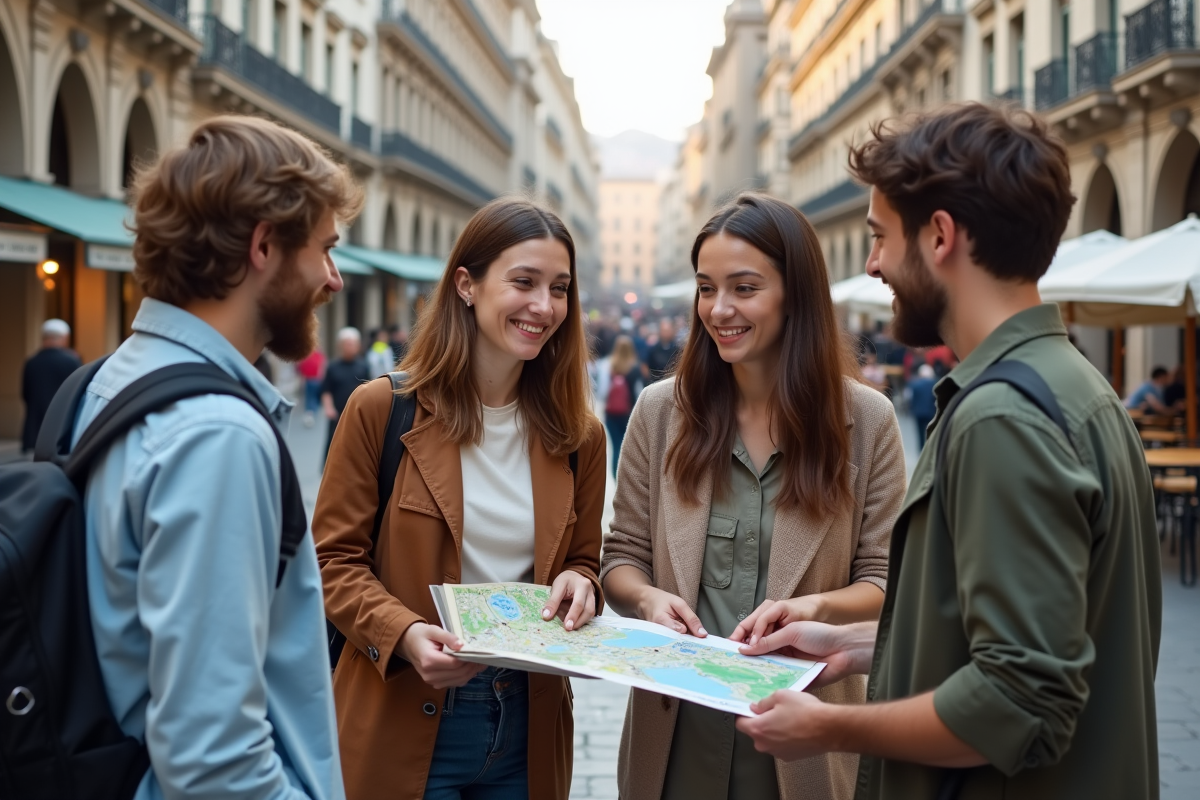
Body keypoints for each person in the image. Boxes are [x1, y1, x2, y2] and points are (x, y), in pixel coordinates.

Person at [736, 103, 1160, 800]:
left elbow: (1018, 702)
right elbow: (1019, 642)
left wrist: (830, 726)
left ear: (939, 236)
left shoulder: (1003, 418)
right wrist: (853, 644)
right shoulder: (1075, 385)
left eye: (880, 236)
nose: (872, 263)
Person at [70, 115, 362, 799]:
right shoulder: (217, 434)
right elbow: (214, 760)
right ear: (264, 245)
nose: (333, 279)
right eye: (324, 249)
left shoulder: (101, 381)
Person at [601, 193, 907, 800]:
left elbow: (885, 580)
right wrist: (648, 599)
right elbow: (622, 557)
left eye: (744, 288)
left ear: (795, 295)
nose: (719, 309)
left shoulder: (867, 421)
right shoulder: (659, 412)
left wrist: (814, 609)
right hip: (675, 747)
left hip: (804, 745)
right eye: (706, 288)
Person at [314, 198, 608, 800]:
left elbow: (583, 562)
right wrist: (403, 634)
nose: (544, 306)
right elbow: (329, 563)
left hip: (528, 723)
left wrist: (582, 583)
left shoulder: (581, 437)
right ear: (466, 285)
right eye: (523, 282)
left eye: (559, 288)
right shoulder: (382, 409)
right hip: (400, 707)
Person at [20, 318, 82, 452]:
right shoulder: (72, 361)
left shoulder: (31, 362)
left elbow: (25, 394)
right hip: (62, 428)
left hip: (34, 430)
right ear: (64, 338)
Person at [320, 327, 370, 459]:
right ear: (341, 345)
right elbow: (326, 390)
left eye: (353, 344)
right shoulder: (333, 367)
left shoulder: (363, 366)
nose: (350, 347)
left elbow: (368, 389)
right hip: (337, 413)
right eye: (347, 344)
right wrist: (329, 408)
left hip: (356, 412)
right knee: (333, 444)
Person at [600, 334, 644, 473]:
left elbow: (602, 391)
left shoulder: (608, 366)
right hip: (628, 414)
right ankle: (626, 476)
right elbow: (639, 392)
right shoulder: (635, 368)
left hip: (611, 414)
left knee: (616, 446)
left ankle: (615, 475)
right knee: (628, 447)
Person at [905, 364, 937, 449]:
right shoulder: (934, 384)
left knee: (920, 434)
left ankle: (921, 450)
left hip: (918, 412)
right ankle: (929, 449)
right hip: (931, 412)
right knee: (931, 433)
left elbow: (908, 397)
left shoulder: (914, 384)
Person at [296, 345, 326, 427]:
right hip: (313, 379)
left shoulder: (307, 356)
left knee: (311, 397)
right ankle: (311, 412)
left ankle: (310, 412)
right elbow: (322, 367)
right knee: (313, 397)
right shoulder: (317, 356)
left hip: (311, 379)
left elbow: (300, 368)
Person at [643, 318, 681, 382]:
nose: (666, 334)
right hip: (656, 381)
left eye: (668, 331)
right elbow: (646, 366)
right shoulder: (653, 350)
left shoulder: (678, 349)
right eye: (664, 331)